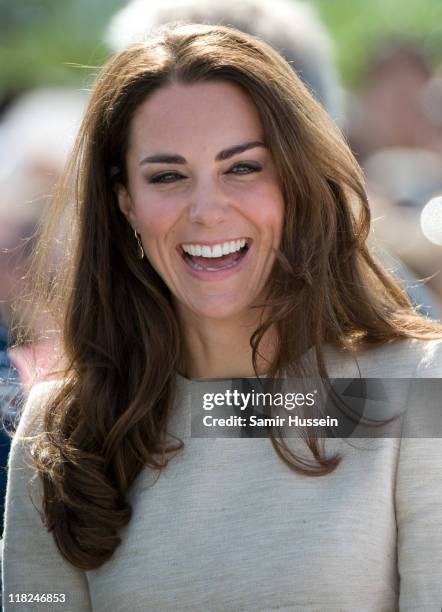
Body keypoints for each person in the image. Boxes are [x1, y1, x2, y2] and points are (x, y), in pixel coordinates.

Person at [2, 23, 442, 611]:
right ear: (124, 200)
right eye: (168, 176)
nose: (207, 211)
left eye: (243, 168)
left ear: (295, 180)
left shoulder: (413, 388)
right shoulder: (61, 427)